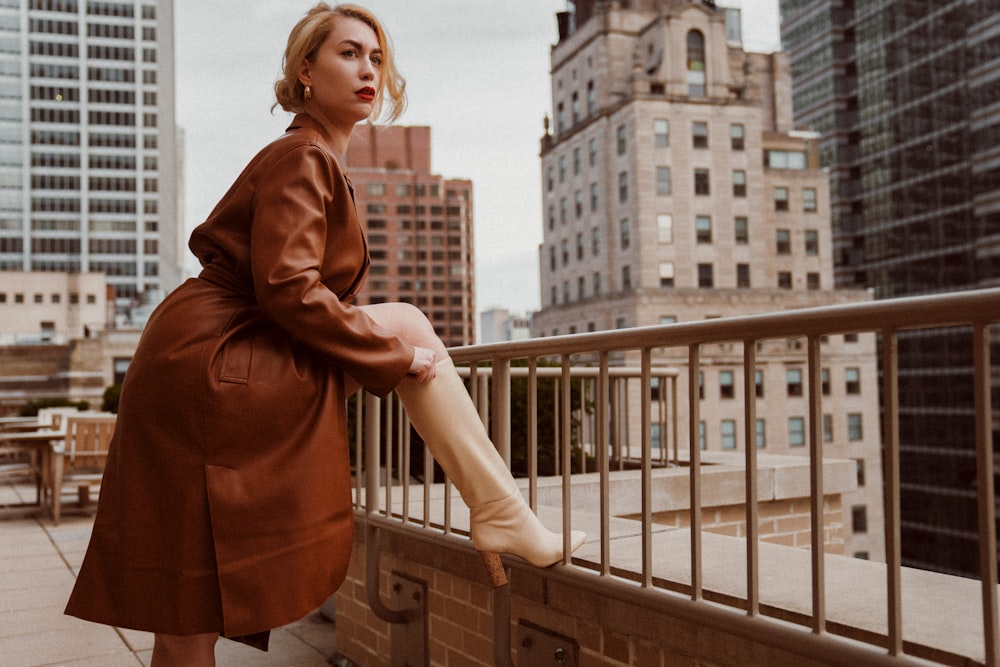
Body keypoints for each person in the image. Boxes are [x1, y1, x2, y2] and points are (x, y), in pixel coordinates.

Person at [64, 3, 585, 665]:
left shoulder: (306, 155)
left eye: (376, 58)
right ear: (306, 70)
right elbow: (288, 286)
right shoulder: (303, 156)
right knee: (404, 323)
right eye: (348, 53)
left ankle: (499, 509)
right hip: (218, 360)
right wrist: (393, 357)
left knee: (185, 617)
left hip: (191, 360)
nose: (368, 69)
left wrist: (390, 355)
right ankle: (499, 508)